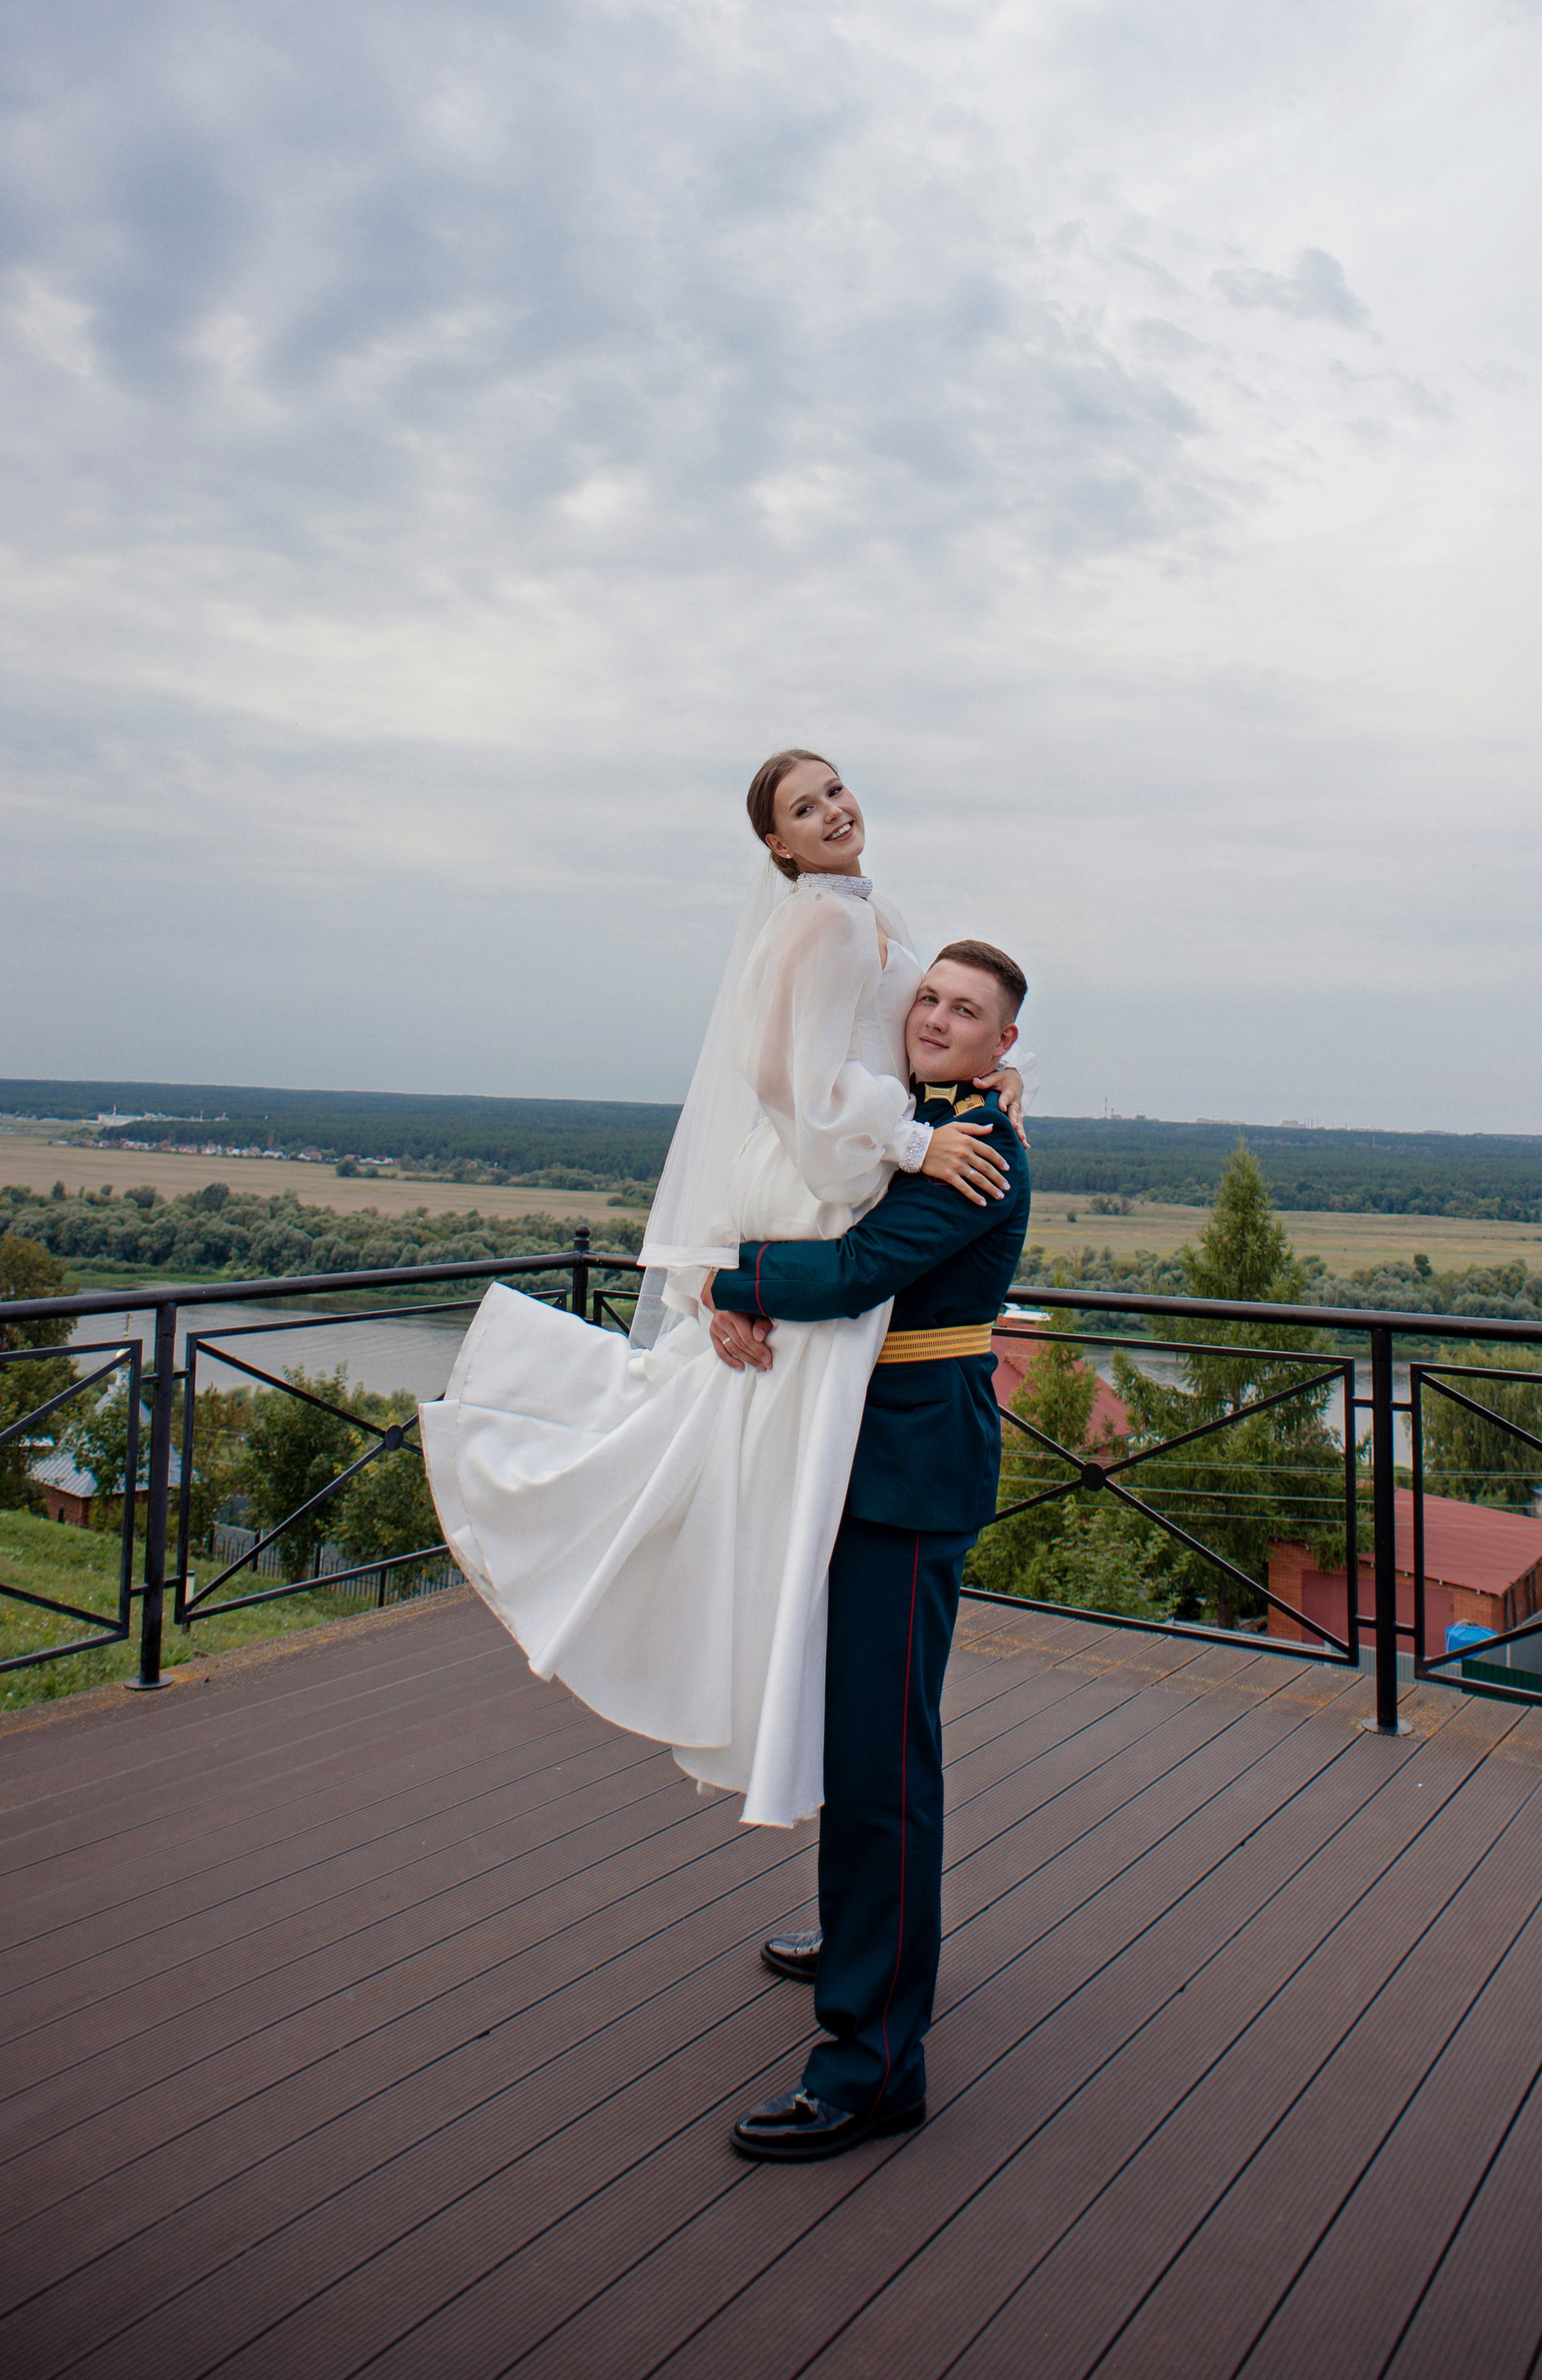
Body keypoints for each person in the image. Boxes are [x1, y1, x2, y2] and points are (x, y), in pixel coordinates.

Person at [421, 752, 1022, 1829]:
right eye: (806, 807)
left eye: (837, 788)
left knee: (740, 1453)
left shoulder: (859, 911)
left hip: (843, 1230)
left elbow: (922, 1026)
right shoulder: (833, 922)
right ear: (779, 846)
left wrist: (985, 1083)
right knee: (754, 1455)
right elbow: (787, 1078)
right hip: (829, 1174)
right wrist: (911, 1137)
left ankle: (720, 1652)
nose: (834, 810)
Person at [701, 938, 1033, 2162]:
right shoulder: (921, 1118)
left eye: (969, 1010)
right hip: (857, 1459)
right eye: (930, 997)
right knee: (857, 1733)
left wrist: (719, 1272)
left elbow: (853, 1273)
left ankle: (874, 2060)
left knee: (888, 1761)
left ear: (1005, 1044)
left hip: (908, 1471)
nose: (939, 1015)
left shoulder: (977, 1152)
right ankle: (860, 1942)